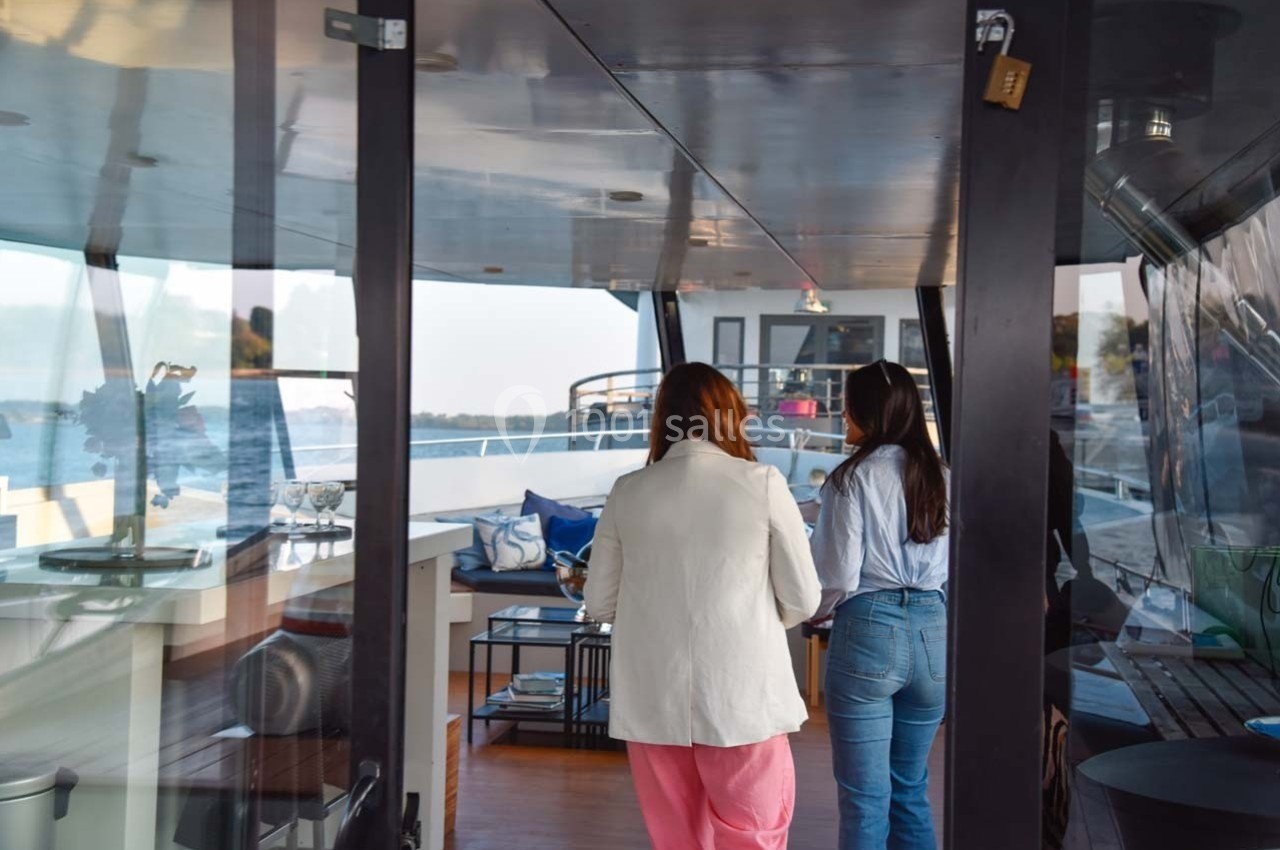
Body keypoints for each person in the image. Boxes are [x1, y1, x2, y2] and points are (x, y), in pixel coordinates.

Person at [585, 362, 821, 850]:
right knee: (753, 833)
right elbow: (803, 597)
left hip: (654, 695)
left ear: (662, 418)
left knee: (676, 838)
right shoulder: (763, 483)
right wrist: (748, 619)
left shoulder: (628, 490)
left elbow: (600, 602)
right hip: (742, 694)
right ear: (729, 415)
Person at [809, 359, 950, 850]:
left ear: (868, 413)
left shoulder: (851, 478)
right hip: (934, 629)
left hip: (870, 628)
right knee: (911, 788)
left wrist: (815, 611)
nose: (842, 414)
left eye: (848, 407)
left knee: (865, 796)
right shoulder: (944, 477)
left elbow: (838, 574)